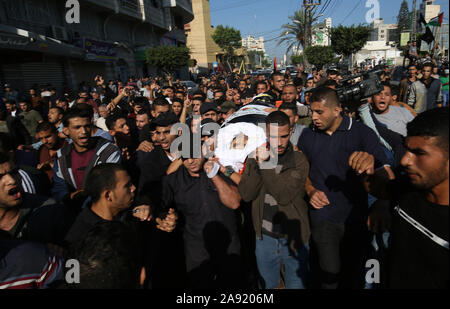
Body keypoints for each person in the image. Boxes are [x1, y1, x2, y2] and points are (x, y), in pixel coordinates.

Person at [298, 86, 392, 289]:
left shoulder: (362, 133)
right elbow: (301, 172)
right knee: (330, 276)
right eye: (312, 111)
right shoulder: (307, 136)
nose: (313, 117)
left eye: (319, 112)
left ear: (337, 110)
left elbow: (386, 172)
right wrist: (310, 190)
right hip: (323, 219)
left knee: (356, 274)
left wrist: (382, 204)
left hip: (356, 218)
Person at [371, 107, 449, 288]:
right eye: (407, 149)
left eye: (419, 153)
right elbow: (380, 188)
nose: (406, 160)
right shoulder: (407, 189)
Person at [238, 111, 310, 289]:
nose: (278, 142)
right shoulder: (255, 158)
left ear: (291, 131)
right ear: (266, 134)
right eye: (273, 136)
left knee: (296, 285)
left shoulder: (299, 160)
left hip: (294, 237)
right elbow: (246, 194)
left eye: (284, 136)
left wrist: (266, 164)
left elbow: (284, 196)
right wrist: (255, 165)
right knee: (267, 286)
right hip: (265, 237)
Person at [160, 136, 243, 288]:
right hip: (197, 249)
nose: (191, 160)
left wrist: (215, 176)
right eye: (186, 157)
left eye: (195, 154)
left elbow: (235, 203)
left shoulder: (221, 169)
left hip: (229, 244)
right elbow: (161, 208)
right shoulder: (173, 181)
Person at [52, 106, 121, 203]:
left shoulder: (109, 151)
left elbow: (109, 185)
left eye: (87, 126)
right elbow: (59, 187)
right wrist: (70, 197)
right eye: (77, 127)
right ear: (66, 131)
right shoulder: (61, 156)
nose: (84, 131)